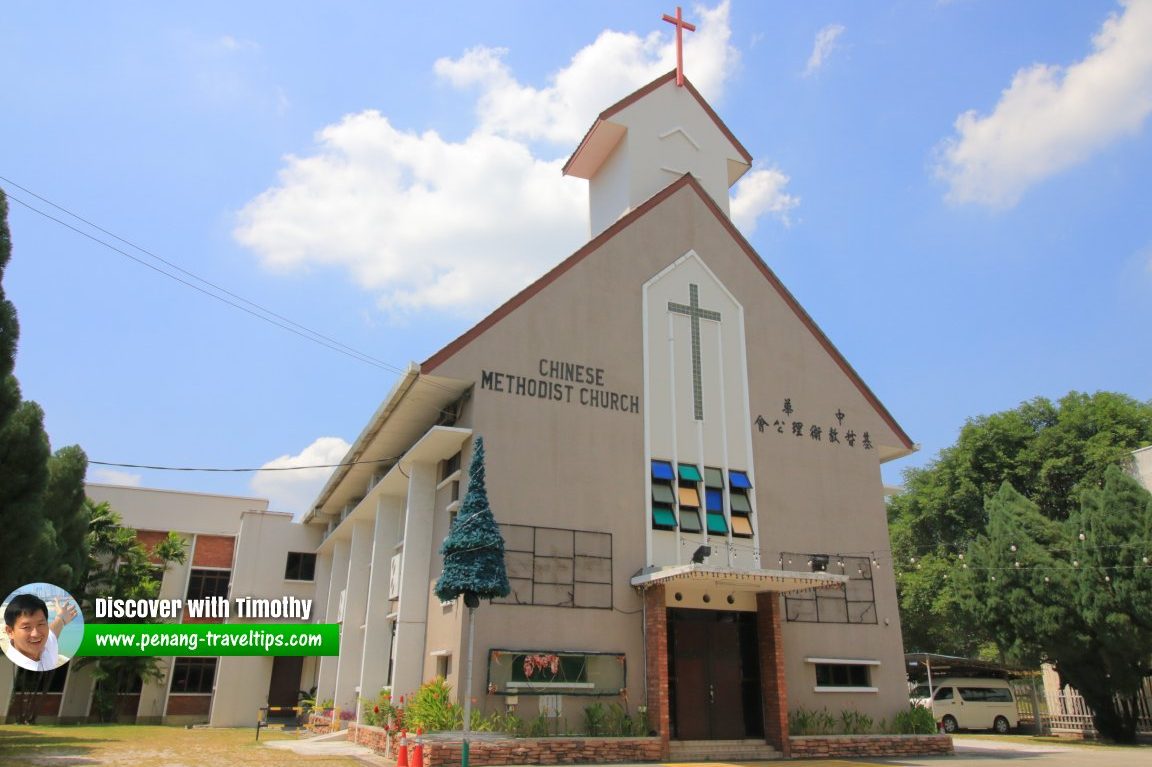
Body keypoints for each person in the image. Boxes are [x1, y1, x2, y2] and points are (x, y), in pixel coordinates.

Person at [3, 593, 77, 671]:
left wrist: (61, 618)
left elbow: (53, 630)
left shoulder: (46, 645)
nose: (36, 634)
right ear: (10, 631)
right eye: (26, 627)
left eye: (40, 624)